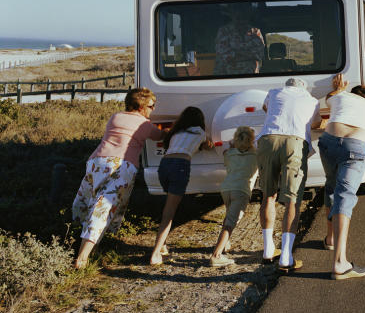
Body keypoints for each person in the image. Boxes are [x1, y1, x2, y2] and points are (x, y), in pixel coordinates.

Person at [72, 88, 163, 269]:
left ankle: (86, 245)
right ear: (142, 106)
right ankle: (82, 258)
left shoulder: (116, 117)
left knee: (89, 202)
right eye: (152, 106)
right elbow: (161, 136)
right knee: (103, 208)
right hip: (122, 166)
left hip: (97, 162)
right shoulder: (144, 125)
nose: (153, 109)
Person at [314, 73, 365, 280]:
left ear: (352, 94)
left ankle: (330, 239)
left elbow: (329, 98)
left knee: (331, 186)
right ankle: (340, 263)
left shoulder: (342, 97)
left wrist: (338, 89)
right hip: (354, 146)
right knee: (345, 195)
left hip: (329, 142)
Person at [256, 77, 320, 272]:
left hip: (268, 138)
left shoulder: (274, 92)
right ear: (304, 88)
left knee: (268, 196)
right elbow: (316, 123)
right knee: (292, 201)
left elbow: (266, 109)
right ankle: (286, 256)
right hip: (295, 141)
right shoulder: (312, 100)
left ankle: (268, 250)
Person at [147, 106, 212, 266]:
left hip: (164, 166)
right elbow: (208, 147)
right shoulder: (200, 133)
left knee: (166, 209)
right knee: (169, 214)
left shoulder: (176, 133)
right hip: (180, 166)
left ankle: (162, 246)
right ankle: (155, 253)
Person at [209, 126, 259, 268]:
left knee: (228, 216)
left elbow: (226, 148)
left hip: (226, 189)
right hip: (241, 190)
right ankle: (216, 255)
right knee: (230, 223)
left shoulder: (229, 153)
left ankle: (224, 244)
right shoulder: (256, 155)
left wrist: (232, 144)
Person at [213, 4, 265, 75]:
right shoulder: (223, 32)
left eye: (244, 14)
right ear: (231, 14)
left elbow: (259, 54)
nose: (241, 16)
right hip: (226, 80)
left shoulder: (256, 32)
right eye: (238, 14)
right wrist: (249, 55)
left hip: (252, 78)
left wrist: (236, 54)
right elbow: (225, 55)